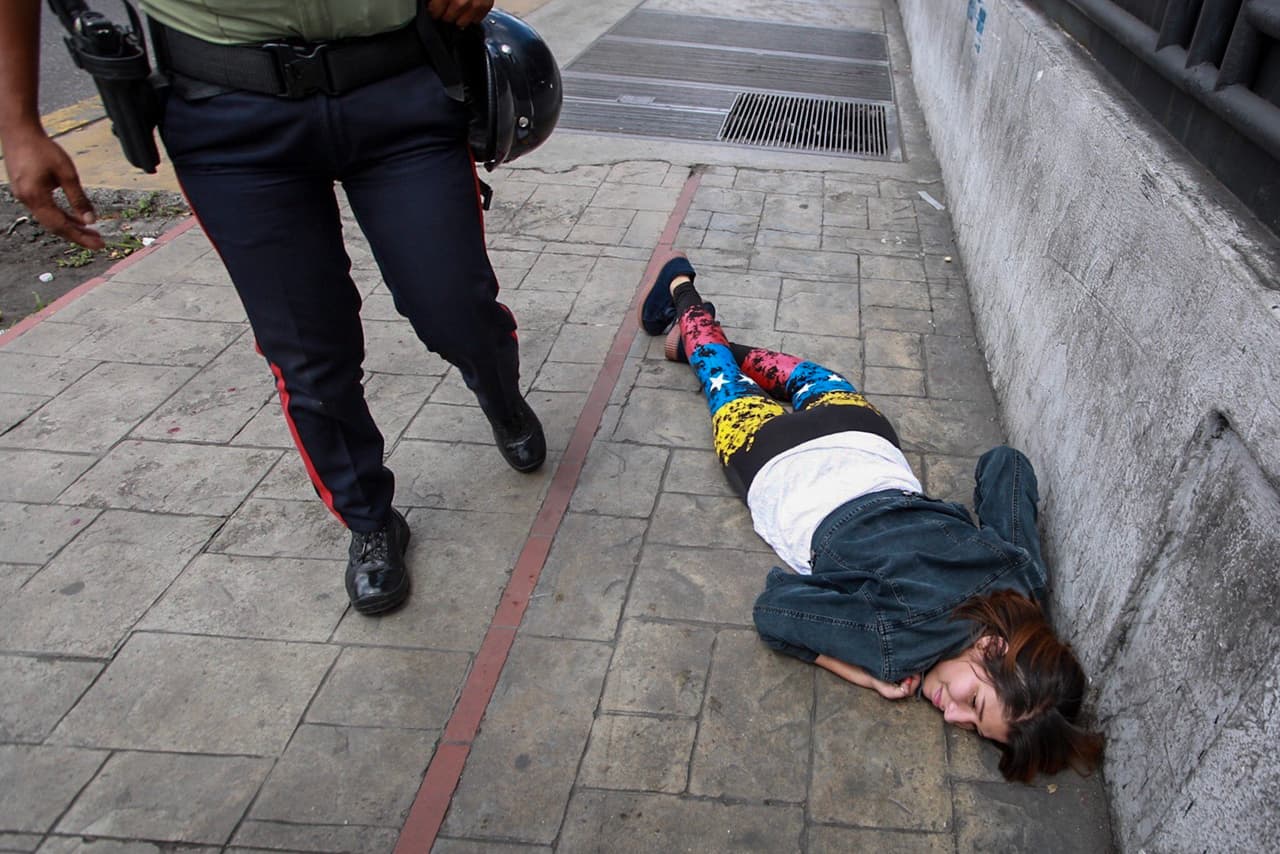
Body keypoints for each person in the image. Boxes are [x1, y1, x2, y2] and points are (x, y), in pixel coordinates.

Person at [0, 0, 546, 616]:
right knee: (309, 352)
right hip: (227, 109)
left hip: (398, 84)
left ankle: (499, 393)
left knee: (455, 306)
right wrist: (19, 121)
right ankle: (370, 519)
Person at [638, 254, 1104, 781]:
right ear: (993, 648)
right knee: (719, 377)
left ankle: (693, 313)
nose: (950, 714)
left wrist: (1030, 602)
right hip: (773, 460)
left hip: (860, 432)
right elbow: (774, 611)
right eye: (972, 702)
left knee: (800, 375)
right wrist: (863, 673)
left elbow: (1006, 466)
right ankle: (688, 306)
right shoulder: (896, 647)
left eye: (972, 728)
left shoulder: (1021, 579)